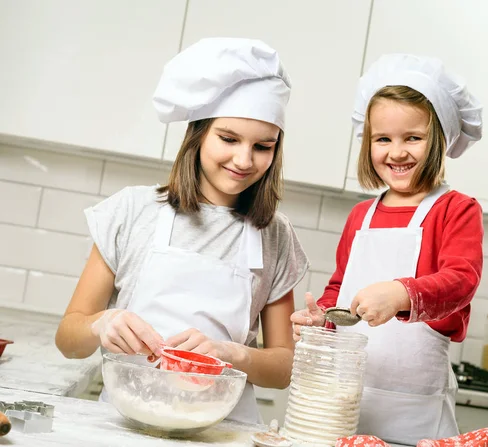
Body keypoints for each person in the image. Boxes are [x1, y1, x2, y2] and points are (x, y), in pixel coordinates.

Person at [55, 37, 309, 425]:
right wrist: (100, 324)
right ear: (198, 134)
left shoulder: (274, 233)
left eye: (263, 146)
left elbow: (284, 366)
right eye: (228, 138)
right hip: (126, 421)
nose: (244, 159)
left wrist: (232, 354)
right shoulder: (132, 211)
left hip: (224, 428)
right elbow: (68, 341)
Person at [291, 53, 484, 445]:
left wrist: (401, 294)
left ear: (440, 140)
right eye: (383, 139)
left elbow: (462, 281)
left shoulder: (456, 209)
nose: (397, 152)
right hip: (346, 406)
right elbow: (341, 286)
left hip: (417, 414)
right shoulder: (361, 215)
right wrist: (323, 319)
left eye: (413, 137)